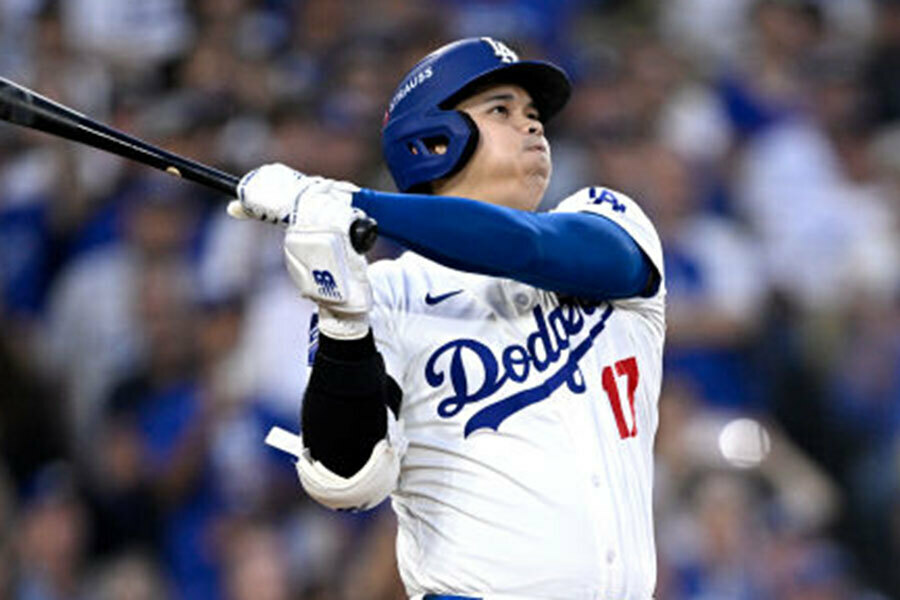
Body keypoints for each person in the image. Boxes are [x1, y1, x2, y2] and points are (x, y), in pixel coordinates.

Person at [230, 37, 666, 600]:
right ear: (434, 141)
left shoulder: (608, 219)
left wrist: (353, 203)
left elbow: (528, 248)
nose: (533, 126)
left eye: (534, 115)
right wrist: (342, 322)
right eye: (501, 111)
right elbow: (346, 479)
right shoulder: (386, 293)